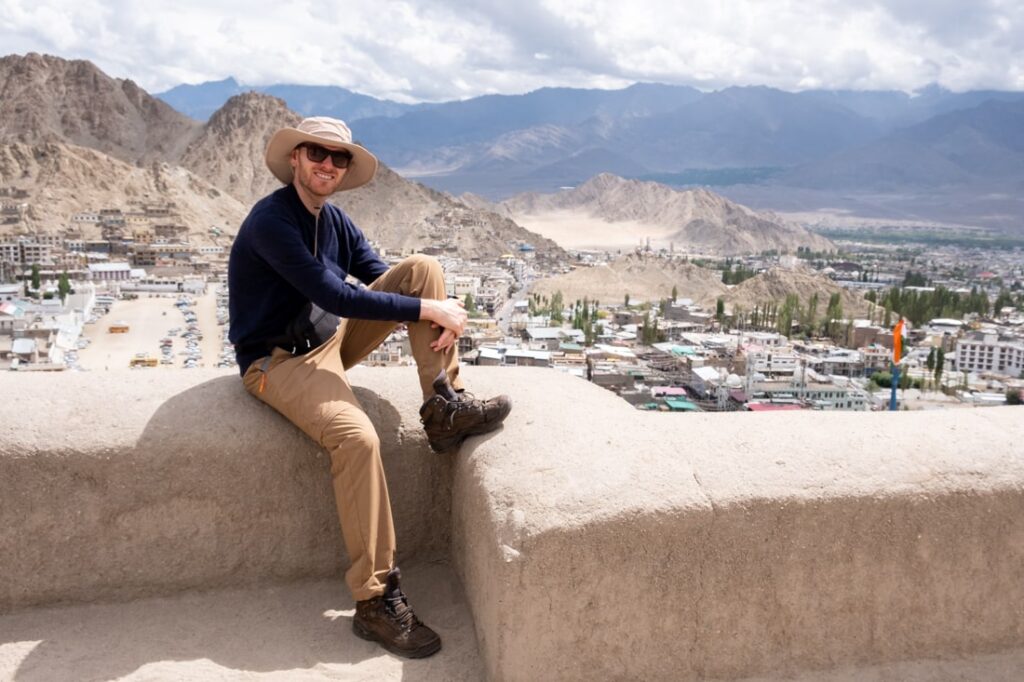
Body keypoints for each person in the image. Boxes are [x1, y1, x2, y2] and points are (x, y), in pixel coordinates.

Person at [228, 116, 512, 658]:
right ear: (295, 158)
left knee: (423, 267)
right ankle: (375, 599)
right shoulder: (271, 222)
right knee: (357, 439)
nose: (328, 165)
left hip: (330, 345)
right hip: (277, 362)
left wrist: (428, 309)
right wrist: (431, 310)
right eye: (318, 153)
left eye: (339, 158)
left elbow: (380, 275)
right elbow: (333, 294)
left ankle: (443, 405)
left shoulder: (333, 220)